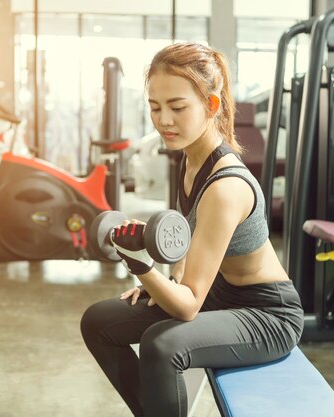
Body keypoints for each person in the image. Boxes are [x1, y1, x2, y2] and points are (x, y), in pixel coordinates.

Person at [80, 42, 304, 417]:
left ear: (211, 106)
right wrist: (157, 283)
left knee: (163, 344)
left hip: (267, 314)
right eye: (155, 107)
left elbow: (187, 306)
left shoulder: (225, 187)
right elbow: (181, 254)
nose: (164, 120)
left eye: (178, 107)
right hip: (221, 294)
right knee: (99, 322)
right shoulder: (188, 162)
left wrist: (139, 263)